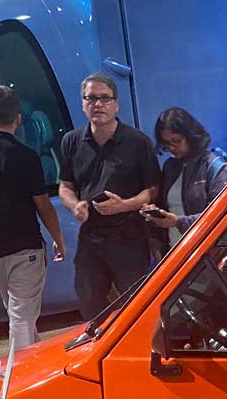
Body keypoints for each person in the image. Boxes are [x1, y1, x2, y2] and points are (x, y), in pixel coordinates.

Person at [0, 85, 66, 354]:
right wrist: (58, 239)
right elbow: (43, 206)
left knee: (19, 313)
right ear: (18, 118)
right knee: (22, 316)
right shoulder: (27, 156)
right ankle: (19, 374)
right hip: (25, 248)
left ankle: (32, 364)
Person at [58, 74, 159, 319]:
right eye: (91, 98)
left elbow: (153, 189)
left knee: (137, 306)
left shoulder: (138, 142)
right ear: (83, 104)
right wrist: (74, 205)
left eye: (105, 98)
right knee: (90, 304)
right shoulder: (71, 141)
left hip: (129, 237)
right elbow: (65, 186)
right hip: (90, 237)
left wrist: (125, 205)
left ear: (116, 104)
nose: (98, 104)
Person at [142, 107, 227, 249]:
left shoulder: (214, 167)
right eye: (166, 143)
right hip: (174, 249)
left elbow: (221, 215)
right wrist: (155, 212)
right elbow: (168, 206)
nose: (171, 148)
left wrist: (179, 222)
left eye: (176, 141)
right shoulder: (170, 166)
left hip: (206, 250)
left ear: (190, 136)